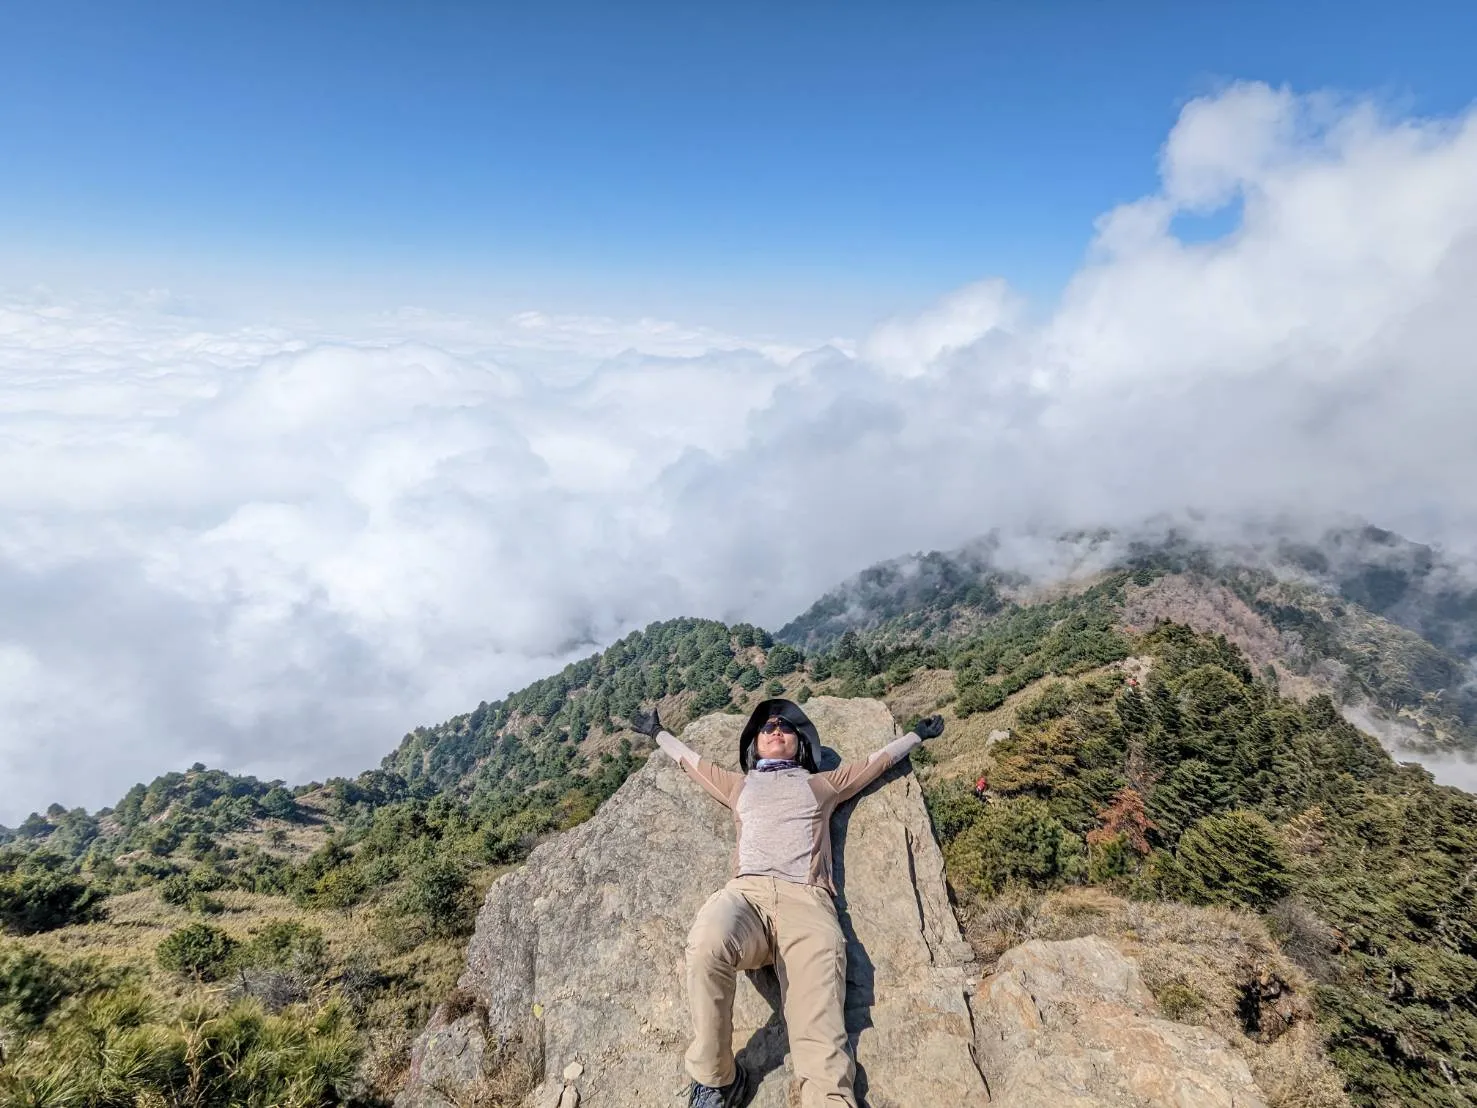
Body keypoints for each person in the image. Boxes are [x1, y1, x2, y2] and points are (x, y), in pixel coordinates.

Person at [632, 698, 944, 1108]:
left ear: (800, 746)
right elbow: (691, 763)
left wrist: (915, 735)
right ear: (754, 747)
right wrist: (658, 733)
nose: (776, 730)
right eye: (767, 728)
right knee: (707, 941)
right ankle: (718, 1078)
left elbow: (876, 763)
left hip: (807, 903)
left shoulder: (821, 784)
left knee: (819, 1026)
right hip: (748, 897)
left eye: (785, 728)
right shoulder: (739, 785)